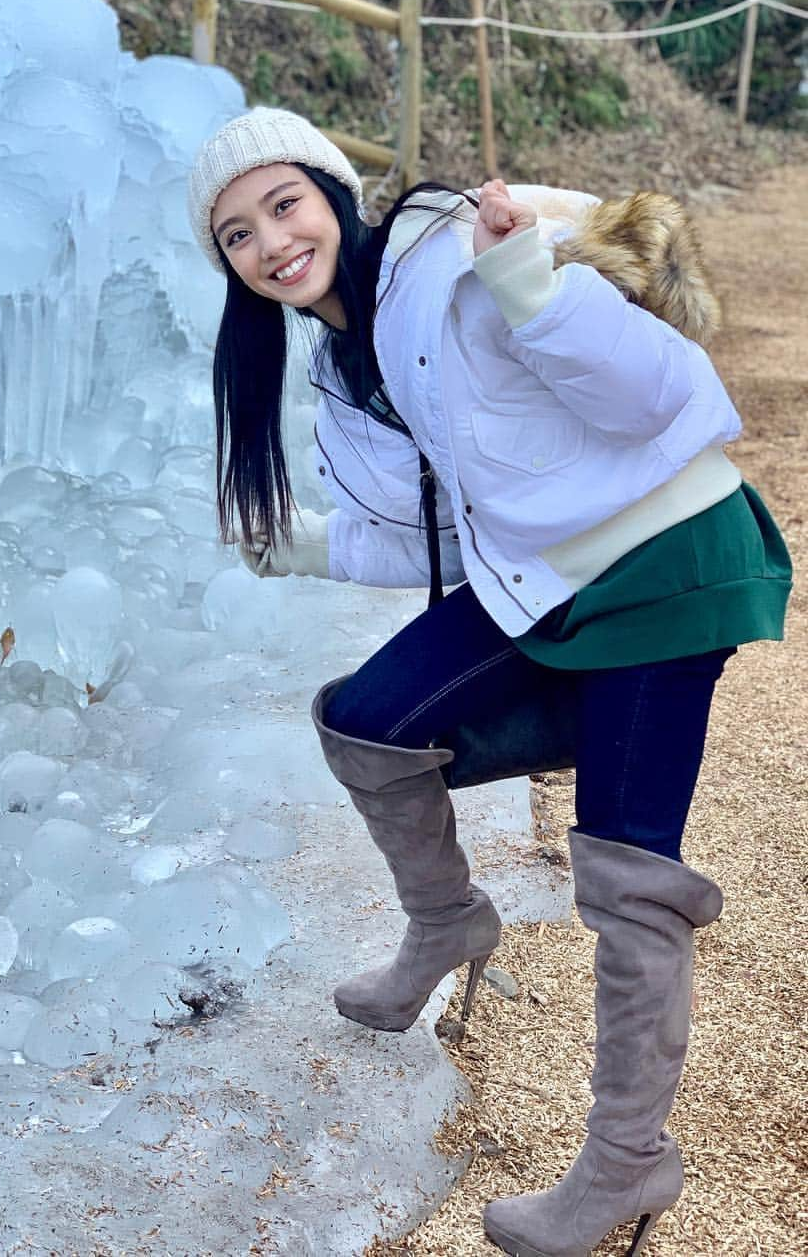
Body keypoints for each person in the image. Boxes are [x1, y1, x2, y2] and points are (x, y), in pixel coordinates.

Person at [186, 106, 791, 1257]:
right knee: (368, 724)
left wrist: (528, 284)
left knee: (628, 873)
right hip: (545, 573)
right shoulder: (341, 359)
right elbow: (451, 527)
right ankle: (448, 925)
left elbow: (660, 395)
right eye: (235, 234)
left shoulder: (447, 260)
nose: (269, 242)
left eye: (283, 204)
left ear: (333, 194)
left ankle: (627, 1163)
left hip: (664, 550)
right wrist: (305, 544)